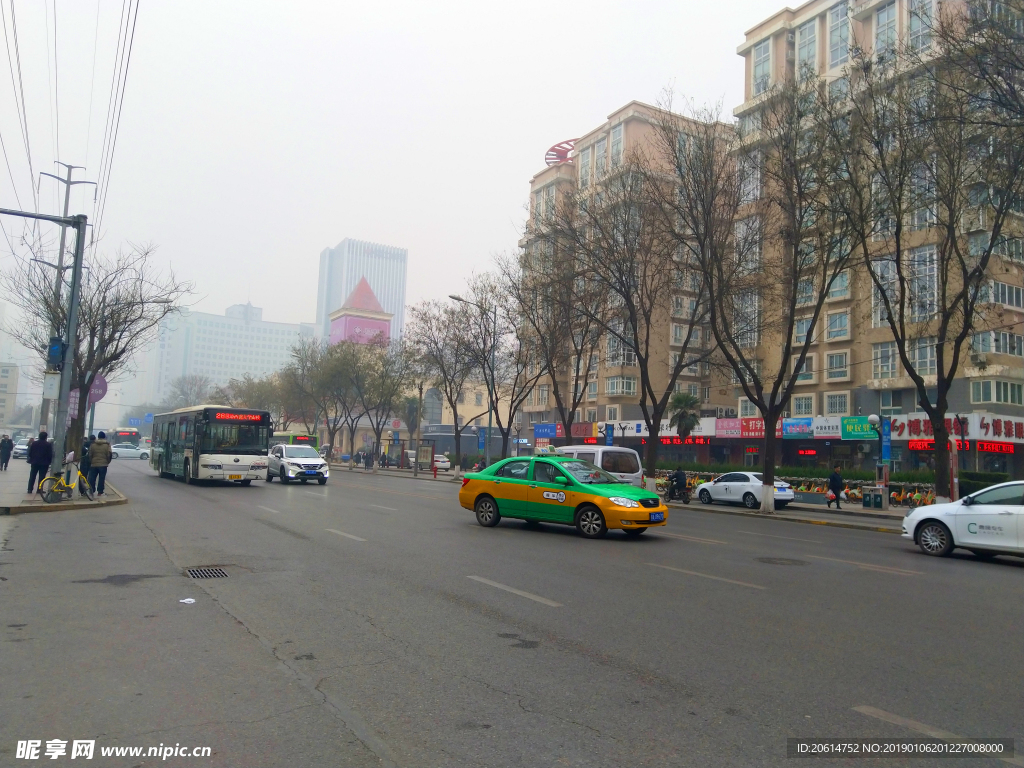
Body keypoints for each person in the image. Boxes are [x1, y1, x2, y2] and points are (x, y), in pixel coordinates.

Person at [87, 431, 113, 497]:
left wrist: (91, 461)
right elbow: (109, 454)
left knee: (92, 478)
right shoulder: (107, 445)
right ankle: (100, 492)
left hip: (94, 464)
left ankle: (92, 491)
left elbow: (90, 454)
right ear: (104, 437)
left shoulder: (93, 444)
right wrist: (107, 462)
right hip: (103, 465)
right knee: (101, 479)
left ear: (98, 437)